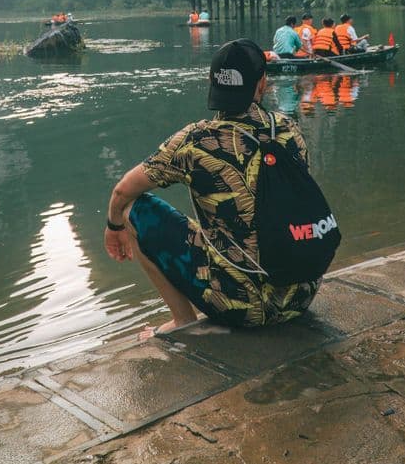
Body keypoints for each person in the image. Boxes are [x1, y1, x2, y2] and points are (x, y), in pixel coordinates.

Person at [104, 39, 320, 337]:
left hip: (239, 308)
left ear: (211, 82)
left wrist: (113, 225)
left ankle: (183, 321)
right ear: (262, 84)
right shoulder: (288, 130)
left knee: (132, 209)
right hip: (300, 298)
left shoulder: (195, 141)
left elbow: (122, 192)